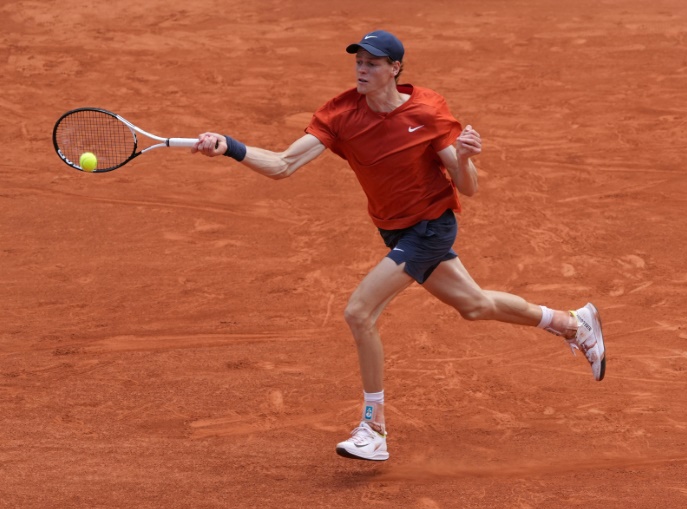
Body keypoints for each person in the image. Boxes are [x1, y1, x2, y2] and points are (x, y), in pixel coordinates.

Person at [192, 30, 606, 462]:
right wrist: (230, 147)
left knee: (359, 312)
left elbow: (468, 186)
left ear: (395, 69)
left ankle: (373, 428)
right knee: (475, 305)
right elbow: (282, 164)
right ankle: (573, 323)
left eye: (372, 63)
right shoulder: (340, 114)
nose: (362, 70)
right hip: (394, 229)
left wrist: (465, 158)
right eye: (359, 62)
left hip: (430, 228)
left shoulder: (426, 111)